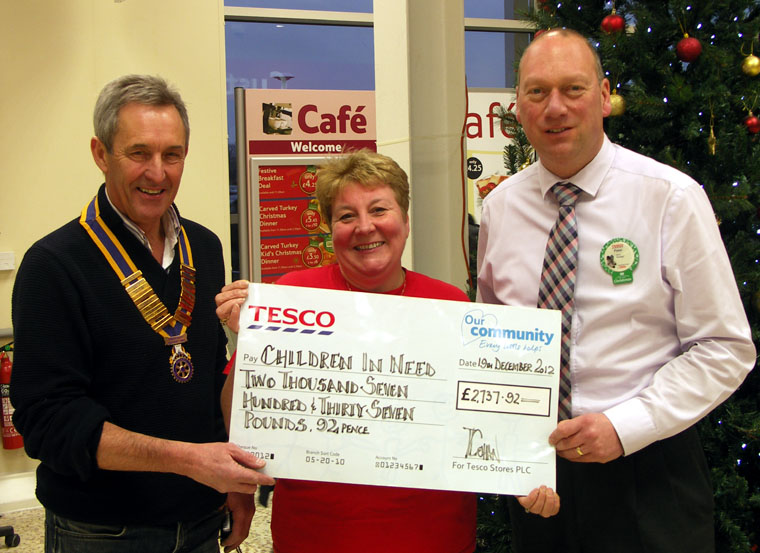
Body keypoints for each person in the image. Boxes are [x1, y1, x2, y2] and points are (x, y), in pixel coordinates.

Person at [476, 28, 756, 552]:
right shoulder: (500, 208)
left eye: (573, 89)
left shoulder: (670, 198)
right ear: (518, 107)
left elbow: (725, 348)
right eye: (537, 92)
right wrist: (506, 450)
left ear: (604, 97)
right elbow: (491, 339)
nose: (554, 107)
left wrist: (625, 426)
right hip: (539, 474)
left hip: (648, 471)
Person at [215, 149, 560, 553]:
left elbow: (490, 415)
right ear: (330, 228)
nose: (365, 227)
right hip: (317, 537)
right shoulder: (295, 294)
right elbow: (240, 409)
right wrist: (251, 342)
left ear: (405, 221)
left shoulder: (449, 305)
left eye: (379, 209)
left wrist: (523, 474)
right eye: (346, 216)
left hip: (434, 537)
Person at [10, 74, 274, 553]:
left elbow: (209, 381)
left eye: (172, 154)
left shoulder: (205, 246)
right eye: (139, 153)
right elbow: (48, 422)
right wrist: (188, 461)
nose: (158, 172)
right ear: (100, 154)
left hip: (200, 519)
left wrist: (233, 484)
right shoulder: (54, 264)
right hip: (102, 531)